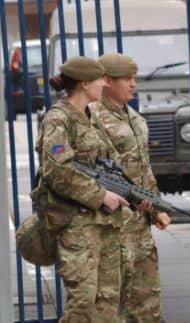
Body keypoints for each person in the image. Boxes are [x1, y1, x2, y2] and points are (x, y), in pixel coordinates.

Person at [35, 56, 129, 322]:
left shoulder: (91, 117)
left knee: (107, 303)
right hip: (77, 226)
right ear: (85, 83)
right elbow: (58, 171)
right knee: (83, 304)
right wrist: (100, 195)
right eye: (100, 79)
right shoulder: (58, 119)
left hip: (105, 224)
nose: (104, 84)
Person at [90, 53, 171, 322]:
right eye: (127, 79)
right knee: (111, 305)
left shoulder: (135, 119)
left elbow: (144, 169)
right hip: (111, 228)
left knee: (148, 303)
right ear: (107, 81)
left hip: (140, 226)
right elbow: (89, 172)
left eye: (134, 78)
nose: (133, 84)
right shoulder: (92, 119)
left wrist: (156, 208)